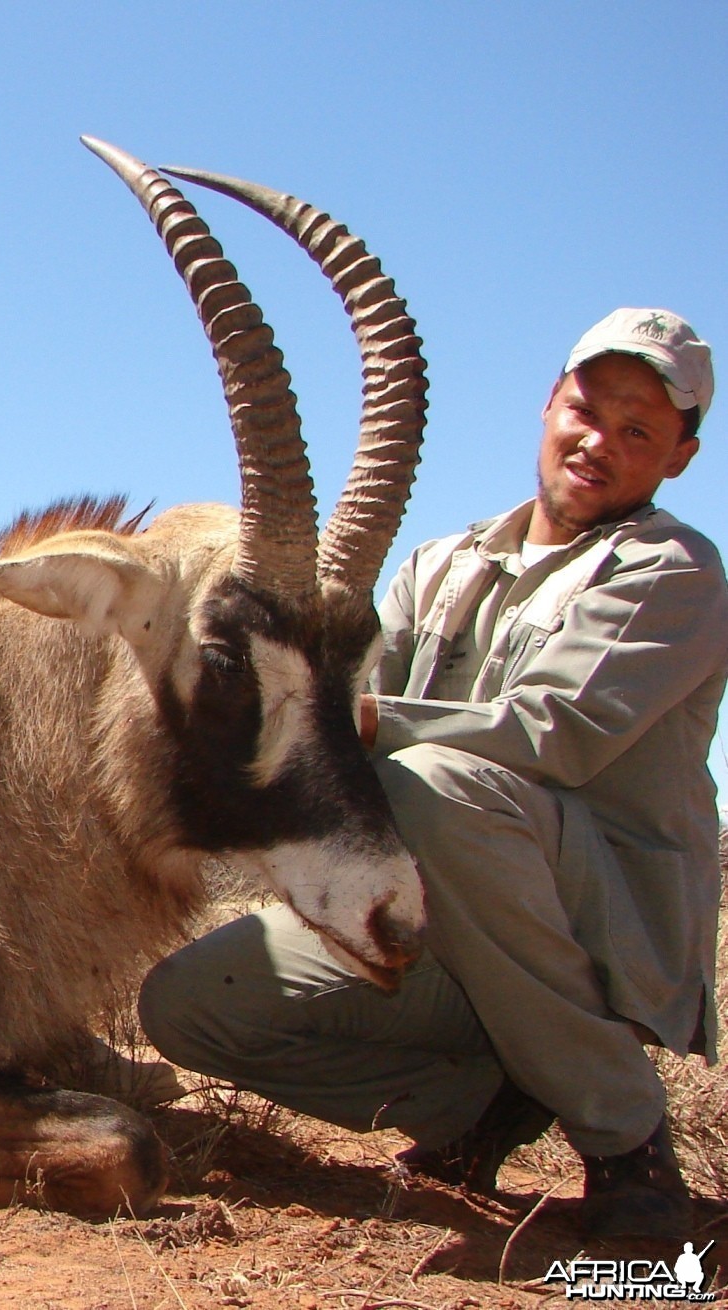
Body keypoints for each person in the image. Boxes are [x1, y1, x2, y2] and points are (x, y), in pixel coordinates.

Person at [138, 308, 725, 1241]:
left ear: (679, 458)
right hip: (450, 926)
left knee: (429, 786)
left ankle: (628, 1144)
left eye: (638, 431)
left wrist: (357, 716)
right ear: (548, 403)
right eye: (586, 409)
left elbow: (553, 733)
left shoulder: (674, 570)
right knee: (187, 1008)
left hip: (598, 931)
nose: (596, 442)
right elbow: (350, 720)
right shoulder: (439, 562)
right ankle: (481, 1105)